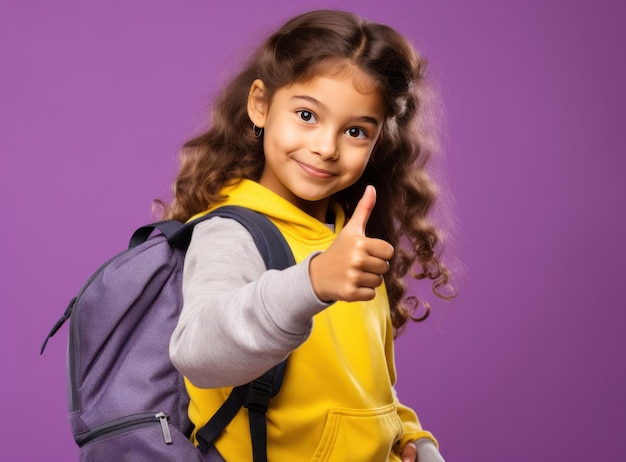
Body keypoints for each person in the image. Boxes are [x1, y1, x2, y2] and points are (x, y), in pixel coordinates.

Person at [167, 9, 454, 462]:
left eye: (356, 131)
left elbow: (361, 389)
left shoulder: (349, 234)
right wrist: (312, 282)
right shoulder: (230, 231)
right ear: (260, 105)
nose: (326, 146)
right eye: (306, 115)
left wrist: (409, 438)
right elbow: (199, 353)